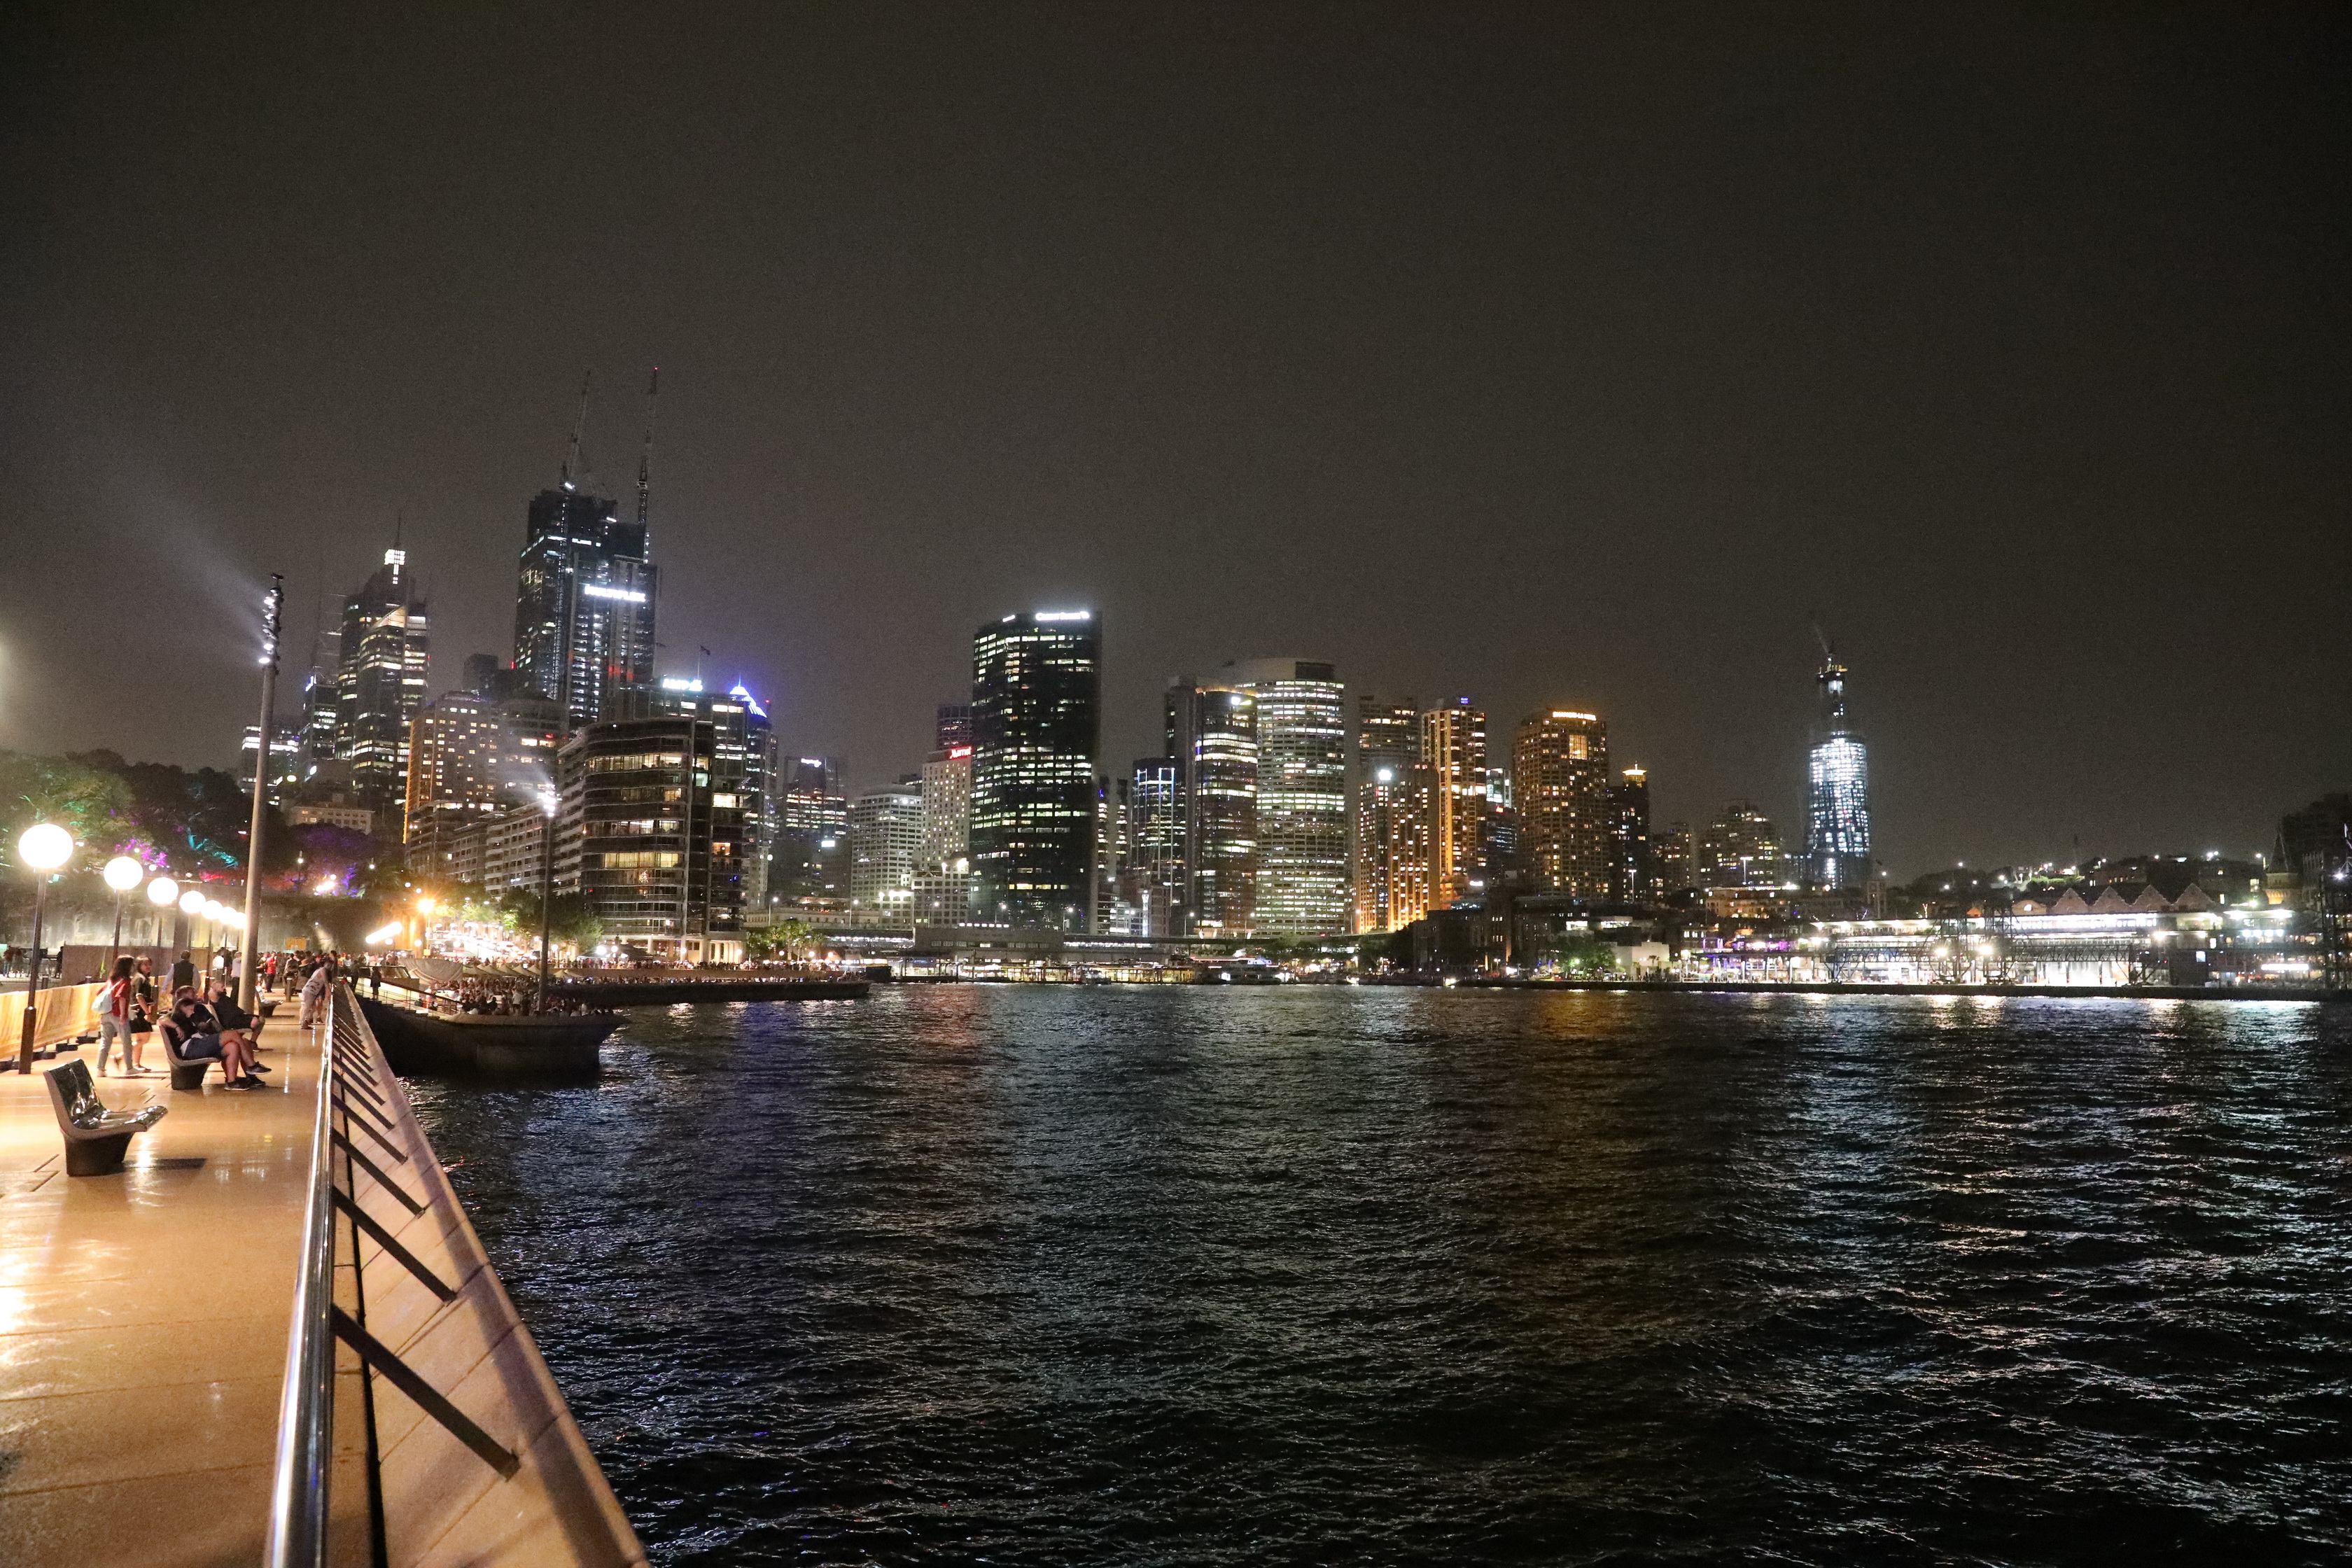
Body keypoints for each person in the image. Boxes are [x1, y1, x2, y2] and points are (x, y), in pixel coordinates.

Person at [158, 988, 260, 1088]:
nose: (195, 997)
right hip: (192, 1046)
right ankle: (251, 1065)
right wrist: (176, 1027)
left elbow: (216, 1027)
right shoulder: (177, 1016)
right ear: (183, 1003)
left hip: (203, 1041)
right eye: (192, 995)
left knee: (232, 1046)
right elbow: (161, 1020)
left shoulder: (197, 1010)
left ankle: (232, 1081)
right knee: (233, 1034)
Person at [97, 956, 144, 1077]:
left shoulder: (110, 981)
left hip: (106, 1013)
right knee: (126, 1041)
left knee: (105, 1041)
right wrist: (123, 1015)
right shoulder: (125, 981)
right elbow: (122, 997)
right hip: (118, 1014)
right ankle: (129, 1068)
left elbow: (99, 993)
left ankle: (100, 1069)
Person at [299, 957, 331, 1028]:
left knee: (313, 1008)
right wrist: (328, 991)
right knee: (307, 1007)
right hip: (309, 991)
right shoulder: (323, 970)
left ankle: (306, 1021)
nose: (329, 967)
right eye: (329, 965)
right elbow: (325, 981)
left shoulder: (318, 970)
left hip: (311, 991)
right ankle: (303, 1022)